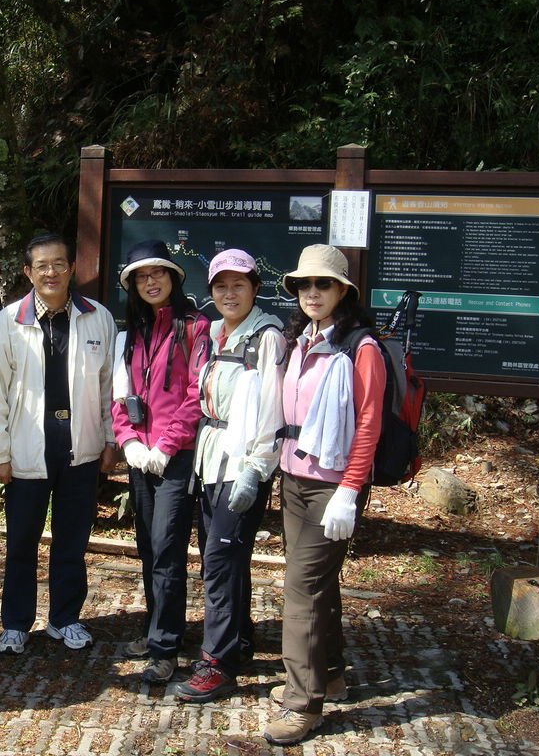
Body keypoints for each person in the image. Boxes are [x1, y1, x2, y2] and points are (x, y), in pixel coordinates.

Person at [263, 244, 385, 745]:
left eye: (324, 284)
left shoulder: (361, 347)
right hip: (294, 480)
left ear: (343, 292)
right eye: (305, 285)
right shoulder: (303, 339)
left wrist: (350, 490)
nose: (313, 292)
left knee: (300, 590)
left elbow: (370, 424)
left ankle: (302, 703)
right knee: (317, 585)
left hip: (332, 485)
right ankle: (328, 674)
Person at [0, 233, 117, 655]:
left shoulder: (97, 317)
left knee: (72, 540)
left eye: (59, 263)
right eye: (42, 265)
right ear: (28, 272)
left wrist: (111, 439)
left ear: (71, 268)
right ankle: (16, 623)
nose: (51, 272)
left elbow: (111, 384)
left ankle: (66, 618)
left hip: (81, 447)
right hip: (27, 448)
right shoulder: (9, 320)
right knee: (21, 540)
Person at [174, 248, 286, 703]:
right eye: (221, 285)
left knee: (219, 564)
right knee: (223, 558)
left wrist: (256, 469)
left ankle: (216, 663)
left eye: (239, 284)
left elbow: (272, 408)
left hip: (242, 465)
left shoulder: (267, 337)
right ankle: (238, 640)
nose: (229, 293)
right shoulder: (216, 333)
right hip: (211, 461)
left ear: (255, 288)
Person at [110, 239, 210, 683]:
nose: (151, 282)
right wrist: (128, 441)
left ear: (173, 278)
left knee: (168, 548)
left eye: (159, 274)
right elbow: (119, 396)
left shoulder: (195, 327)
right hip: (140, 457)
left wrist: (166, 445)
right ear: (132, 285)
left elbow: (196, 394)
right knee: (149, 546)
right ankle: (159, 630)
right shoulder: (130, 332)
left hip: (177, 457)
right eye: (142, 277)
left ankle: (164, 647)